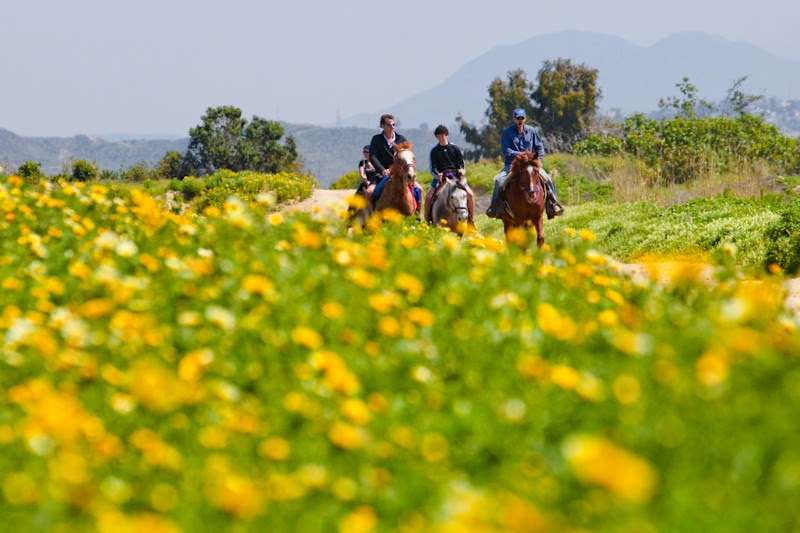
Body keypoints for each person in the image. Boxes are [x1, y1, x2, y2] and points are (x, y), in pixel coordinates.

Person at [486, 108, 564, 219]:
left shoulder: (532, 131)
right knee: (499, 181)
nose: (520, 120)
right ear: (514, 119)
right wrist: (523, 154)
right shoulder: (507, 133)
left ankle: (553, 204)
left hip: (531, 165)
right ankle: (494, 207)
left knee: (547, 179)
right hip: (513, 165)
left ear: (525, 119)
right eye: (518, 118)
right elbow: (507, 151)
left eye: (522, 118)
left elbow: (539, 146)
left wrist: (540, 158)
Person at [369, 114, 422, 210]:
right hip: (383, 175)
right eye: (389, 125)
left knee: (419, 190)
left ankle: (418, 216)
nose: (392, 127)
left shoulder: (401, 139)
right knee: (370, 192)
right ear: (382, 126)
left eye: (393, 125)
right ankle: (372, 215)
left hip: (401, 174)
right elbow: (373, 157)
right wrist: (382, 170)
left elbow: (408, 157)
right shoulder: (376, 139)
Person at [426, 124, 474, 224]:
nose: (441, 138)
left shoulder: (455, 149)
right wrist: (437, 174)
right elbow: (433, 168)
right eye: (439, 136)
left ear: (447, 135)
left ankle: (471, 221)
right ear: (436, 137)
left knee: (470, 194)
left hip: (456, 177)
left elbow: (461, 164)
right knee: (429, 196)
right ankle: (428, 220)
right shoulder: (434, 151)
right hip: (440, 177)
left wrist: (461, 171)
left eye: (443, 135)